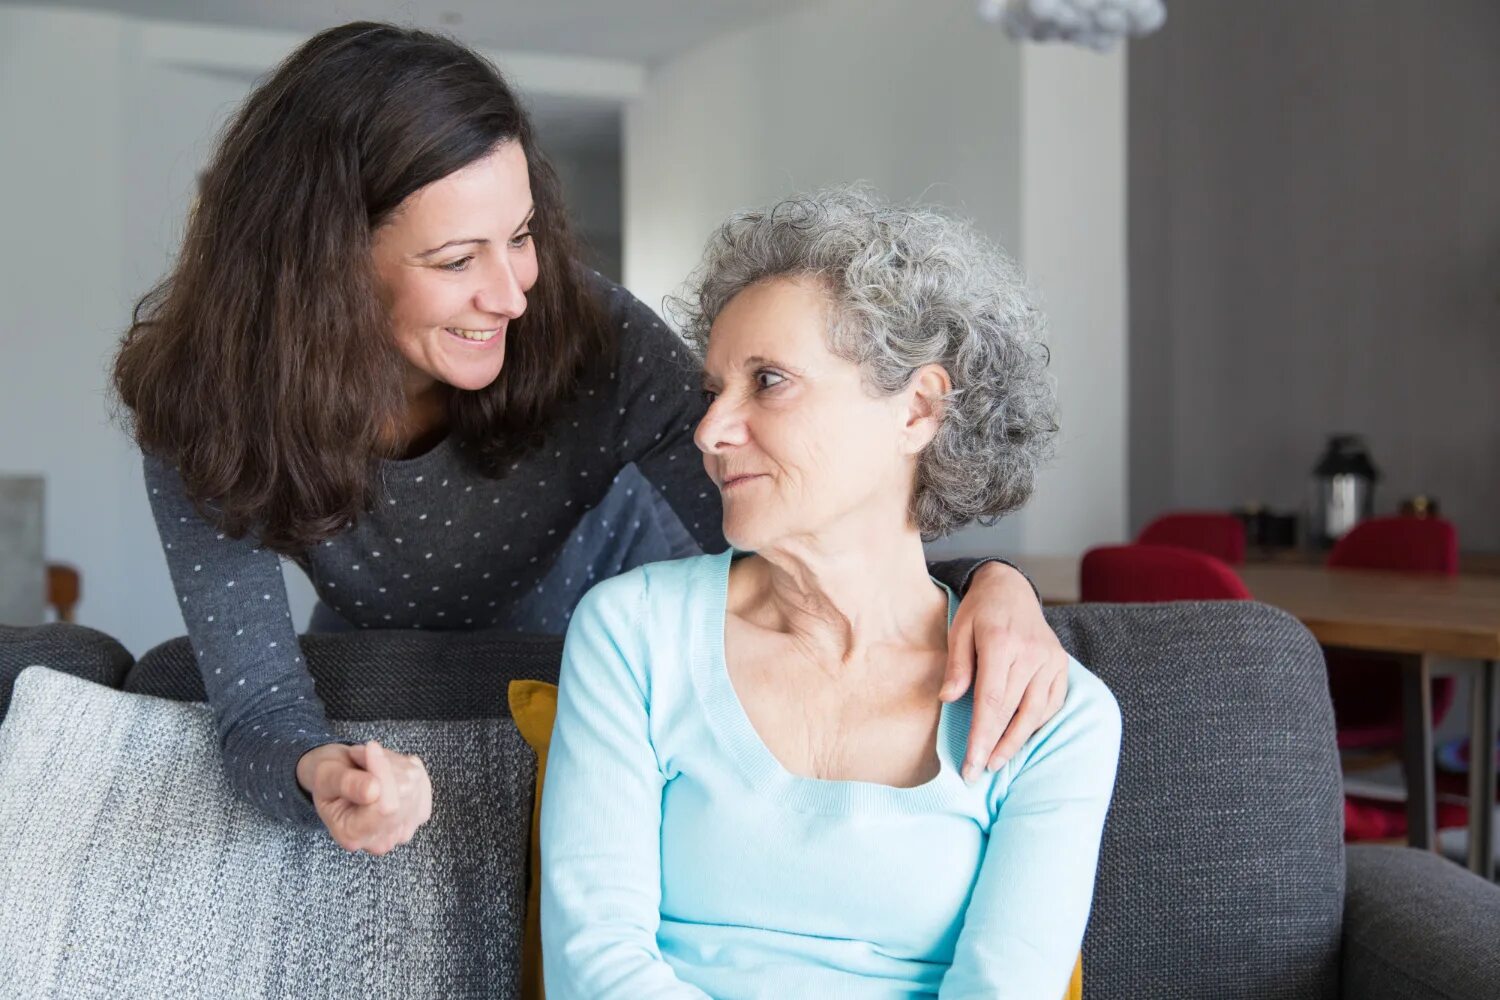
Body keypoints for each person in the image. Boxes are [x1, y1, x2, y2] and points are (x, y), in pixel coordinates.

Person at [113, 22, 1071, 857]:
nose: (513, 291)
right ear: (318, 265)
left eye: (522, 234)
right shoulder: (208, 405)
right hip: (384, 672)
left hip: (603, 669)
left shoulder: (591, 336)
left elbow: (817, 523)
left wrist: (990, 584)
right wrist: (323, 775)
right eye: (457, 259)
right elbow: (257, 714)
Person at [541, 188, 1122, 999]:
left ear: (917, 409)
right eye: (714, 391)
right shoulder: (632, 632)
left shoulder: (1053, 716)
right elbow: (595, 968)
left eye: (768, 381)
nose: (710, 431)